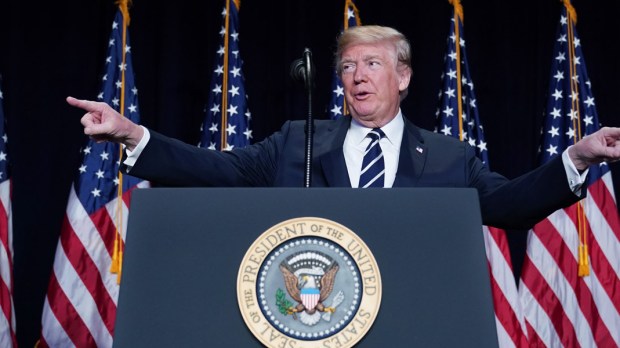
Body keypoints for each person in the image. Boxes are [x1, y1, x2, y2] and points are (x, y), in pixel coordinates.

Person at [67, 25, 620, 230]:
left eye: (372, 65)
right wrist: (131, 134)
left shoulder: (449, 158)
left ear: (402, 76)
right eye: (348, 67)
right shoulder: (296, 143)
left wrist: (577, 156)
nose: (357, 78)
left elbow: (509, 205)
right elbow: (218, 170)